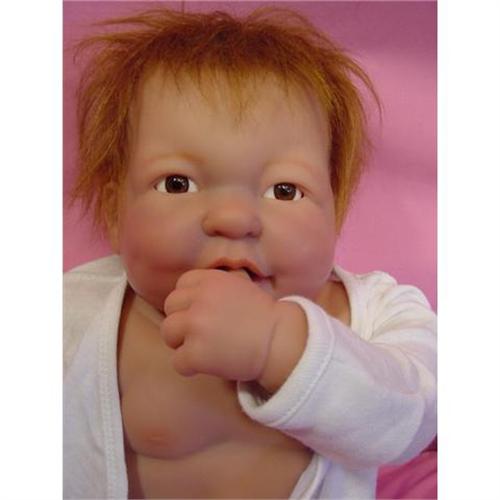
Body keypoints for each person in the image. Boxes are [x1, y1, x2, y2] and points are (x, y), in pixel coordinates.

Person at [63, 6, 437, 499]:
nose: (234, 219)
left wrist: (279, 345)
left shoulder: (379, 314)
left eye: (284, 190)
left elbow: (417, 420)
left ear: (335, 214)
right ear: (116, 213)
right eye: (177, 183)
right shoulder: (76, 314)